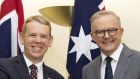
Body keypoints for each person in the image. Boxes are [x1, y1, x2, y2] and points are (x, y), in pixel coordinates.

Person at [82, 10, 140, 79]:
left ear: (121, 32)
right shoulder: (88, 70)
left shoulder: (138, 61)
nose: (106, 36)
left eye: (112, 30)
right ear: (92, 37)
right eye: (100, 32)